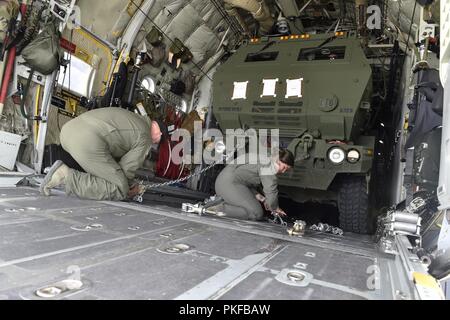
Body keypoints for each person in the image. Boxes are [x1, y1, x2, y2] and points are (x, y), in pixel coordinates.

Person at [40, 107, 168, 201]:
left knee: (109, 176)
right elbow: (127, 170)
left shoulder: (135, 118)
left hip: (66, 133)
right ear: (159, 134)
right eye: (157, 142)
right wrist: (131, 189)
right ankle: (65, 176)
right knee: (119, 189)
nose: (154, 144)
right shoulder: (145, 136)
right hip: (86, 142)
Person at [213, 149, 295, 221]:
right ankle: (216, 209)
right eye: (284, 167)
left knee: (250, 206)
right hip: (228, 184)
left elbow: (245, 180)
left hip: (225, 180)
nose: (283, 171)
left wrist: (262, 199)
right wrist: (275, 208)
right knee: (256, 213)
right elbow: (271, 191)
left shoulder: (263, 157)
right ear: (278, 161)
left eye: (286, 169)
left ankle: (217, 204)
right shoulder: (270, 167)